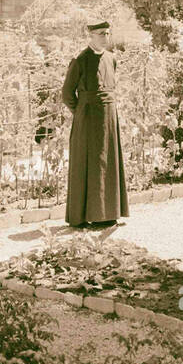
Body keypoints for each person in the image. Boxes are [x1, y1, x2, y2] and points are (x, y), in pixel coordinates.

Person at [61, 19, 129, 228]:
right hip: (88, 119)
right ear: (90, 36)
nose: (105, 37)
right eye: (101, 34)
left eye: (108, 33)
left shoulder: (111, 59)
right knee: (88, 164)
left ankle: (109, 214)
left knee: (108, 163)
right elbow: (67, 94)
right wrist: (81, 112)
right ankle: (82, 216)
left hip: (108, 118)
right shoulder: (80, 60)